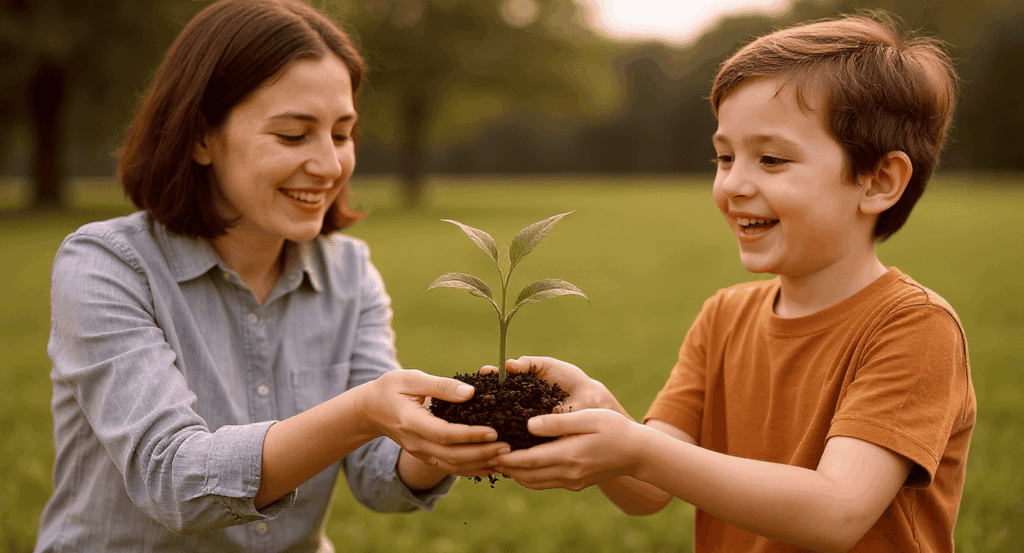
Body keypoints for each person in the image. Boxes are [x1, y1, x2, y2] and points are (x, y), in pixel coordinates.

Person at [491, 13, 976, 553]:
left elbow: (836, 512)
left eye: (771, 159)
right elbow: (649, 489)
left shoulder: (914, 327)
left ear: (879, 181)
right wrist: (599, 414)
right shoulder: (723, 317)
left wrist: (637, 449)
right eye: (724, 157)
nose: (733, 184)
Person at [35, 1, 508, 550]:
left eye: (341, 134)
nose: (329, 166)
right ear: (202, 137)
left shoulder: (348, 272)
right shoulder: (108, 265)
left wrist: (458, 432)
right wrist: (362, 412)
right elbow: (173, 481)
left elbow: (379, 475)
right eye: (292, 135)